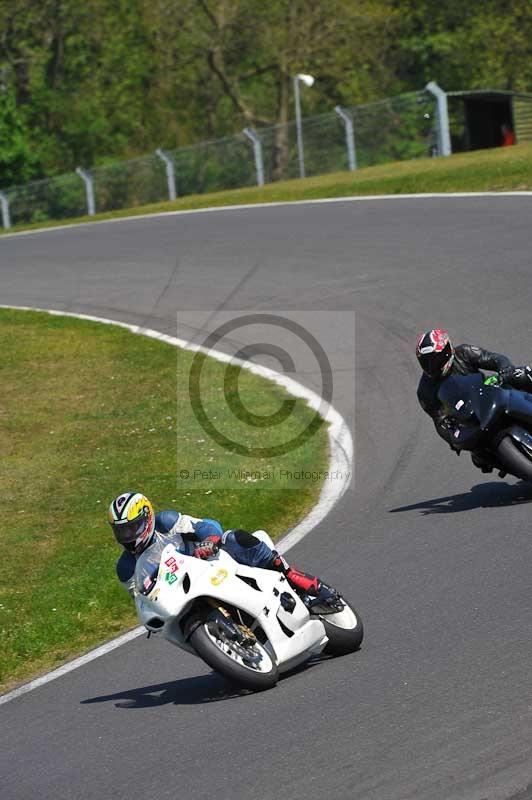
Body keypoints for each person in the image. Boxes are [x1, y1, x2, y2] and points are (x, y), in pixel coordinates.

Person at [108, 491, 339, 606]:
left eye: (131, 527)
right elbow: (141, 600)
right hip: (182, 596)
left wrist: (208, 541)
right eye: (121, 531)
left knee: (234, 537)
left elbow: (206, 525)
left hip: (209, 563)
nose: (127, 536)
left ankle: (293, 575)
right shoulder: (126, 568)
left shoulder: (166, 522)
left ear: (147, 518)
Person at [416, 329, 532, 472]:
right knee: (479, 458)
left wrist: (505, 369)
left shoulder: (464, 353)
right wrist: (451, 438)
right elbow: (438, 420)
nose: (431, 366)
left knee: (522, 374)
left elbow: (495, 359)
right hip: (469, 418)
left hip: (490, 393)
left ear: (447, 350)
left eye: (434, 360)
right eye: (425, 362)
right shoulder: (425, 391)